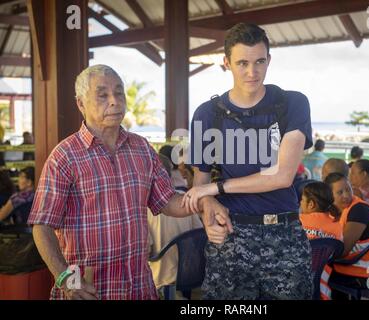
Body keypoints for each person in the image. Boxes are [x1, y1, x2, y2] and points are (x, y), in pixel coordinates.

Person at [27, 65, 230, 300]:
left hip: (139, 289)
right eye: (102, 95)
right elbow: (41, 226)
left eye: (119, 92)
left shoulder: (142, 148)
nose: (114, 101)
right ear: (81, 104)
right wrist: (65, 279)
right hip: (88, 291)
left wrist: (204, 201)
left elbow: (168, 202)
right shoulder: (64, 157)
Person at [183, 23, 313, 299]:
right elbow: (201, 184)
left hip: (285, 236)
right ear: (226, 63)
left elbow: (281, 176)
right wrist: (209, 210)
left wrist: (214, 190)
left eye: (259, 62)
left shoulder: (292, 104)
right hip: (231, 236)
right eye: (242, 63)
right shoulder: (207, 114)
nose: (252, 72)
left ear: (269, 60)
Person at [147, 154, 203, 296]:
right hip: (189, 274)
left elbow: (145, 250)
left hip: (158, 278)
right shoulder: (186, 200)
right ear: (170, 174)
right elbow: (200, 234)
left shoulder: (142, 207)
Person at [324, 173, 369, 291]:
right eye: (340, 192)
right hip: (359, 266)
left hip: (366, 272)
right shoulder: (336, 210)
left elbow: (343, 250)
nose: (346, 195)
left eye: (348, 189)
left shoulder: (358, 210)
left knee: (314, 275)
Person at [299, 181, 343, 300]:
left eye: (302, 200)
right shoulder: (337, 225)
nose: (300, 203)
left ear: (311, 204)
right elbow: (338, 253)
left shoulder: (298, 221)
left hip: (294, 277)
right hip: (321, 281)